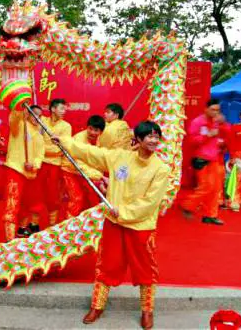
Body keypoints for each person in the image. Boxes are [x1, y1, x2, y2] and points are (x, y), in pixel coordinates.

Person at [59, 120, 170, 330]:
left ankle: (147, 310)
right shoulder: (120, 157)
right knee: (106, 265)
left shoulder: (161, 169)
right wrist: (64, 142)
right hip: (114, 224)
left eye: (157, 137)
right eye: (150, 136)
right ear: (138, 139)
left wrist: (125, 212)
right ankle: (97, 306)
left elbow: (150, 202)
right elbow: (91, 153)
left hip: (141, 227)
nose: (154, 140)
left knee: (146, 270)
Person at [179, 99, 229, 226]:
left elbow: (228, 133)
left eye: (217, 110)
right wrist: (209, 135)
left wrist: (223, 124)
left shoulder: (217, 122)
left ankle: (210, 215)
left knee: (216, 188)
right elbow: (192, 141)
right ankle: (187, 205)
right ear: (206, 109)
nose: (215, 112)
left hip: (215, 158)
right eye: (213, 109)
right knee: (206, 186)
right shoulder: (198, 122)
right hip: (201, 158)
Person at [2, 105, 46, 241]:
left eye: (40, 116)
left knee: (27, 205)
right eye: (34, 114)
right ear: (27, 113)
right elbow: (14, 118)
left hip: (30, 175)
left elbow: (40, 155)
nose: (37, 118)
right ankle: (9, 240)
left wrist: (34, 165)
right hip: (15, 170)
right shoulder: (19, 125)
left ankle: (21, 231)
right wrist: (19, 106)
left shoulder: (39, 135)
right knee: (12, 205)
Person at [61, 115, 105, 219]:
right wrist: (99, 176)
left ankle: (87, 226)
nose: (92, 132)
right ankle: (69, 228)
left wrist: (99, 177)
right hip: (70, 170)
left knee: (92, 199)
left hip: (84, 172)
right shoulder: (79, 139)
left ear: (101, 132)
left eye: (96, 130)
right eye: (90, 128)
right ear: (87, 127)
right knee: (77, 198)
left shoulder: (101, 140)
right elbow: (78, 164)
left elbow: (99, 160)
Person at [37, 98, 72, 228]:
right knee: (37, 195)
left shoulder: (66, 126)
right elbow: (35, 142)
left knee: (53, 196)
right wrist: (41, 149)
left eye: (65, 109)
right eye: (62, 108)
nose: (65, 111)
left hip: (54, 166)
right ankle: (34, 225)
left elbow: (61, 149)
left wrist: (41, 149)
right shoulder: (42, 122)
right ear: (52, 109)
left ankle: (52, 226)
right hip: (39, 164)